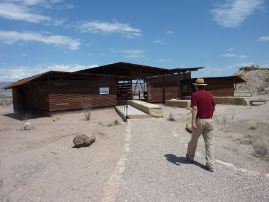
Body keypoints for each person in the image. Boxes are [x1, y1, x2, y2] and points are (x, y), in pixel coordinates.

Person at [186, 78, 216, 172]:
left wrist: (193, 121)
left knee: (194, 140)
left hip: (200, 120)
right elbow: (214, 106)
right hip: (209, 120)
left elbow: (195, 108)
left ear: (196, 86)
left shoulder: (195, 95)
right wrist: (211, 115)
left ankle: (190, 157)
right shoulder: (209, 94)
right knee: (209, 143)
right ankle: (210, 164)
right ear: (204, 86)